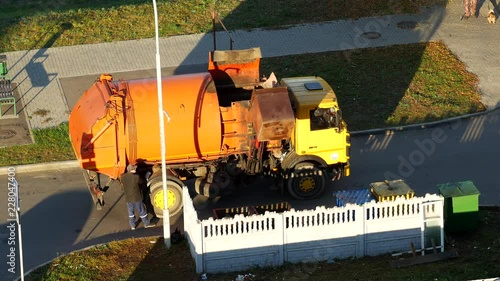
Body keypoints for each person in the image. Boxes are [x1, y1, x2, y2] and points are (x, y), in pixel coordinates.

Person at [121, 164, 155, 230]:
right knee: (142, 211)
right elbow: (143, 183)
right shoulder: (136, 177)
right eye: (134, 169)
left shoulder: (123, 176)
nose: (135, 170)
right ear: (131, 170)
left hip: (128, 198)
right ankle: (146, 223)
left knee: (131, 212)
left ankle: (132, 226)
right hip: (136, 198)